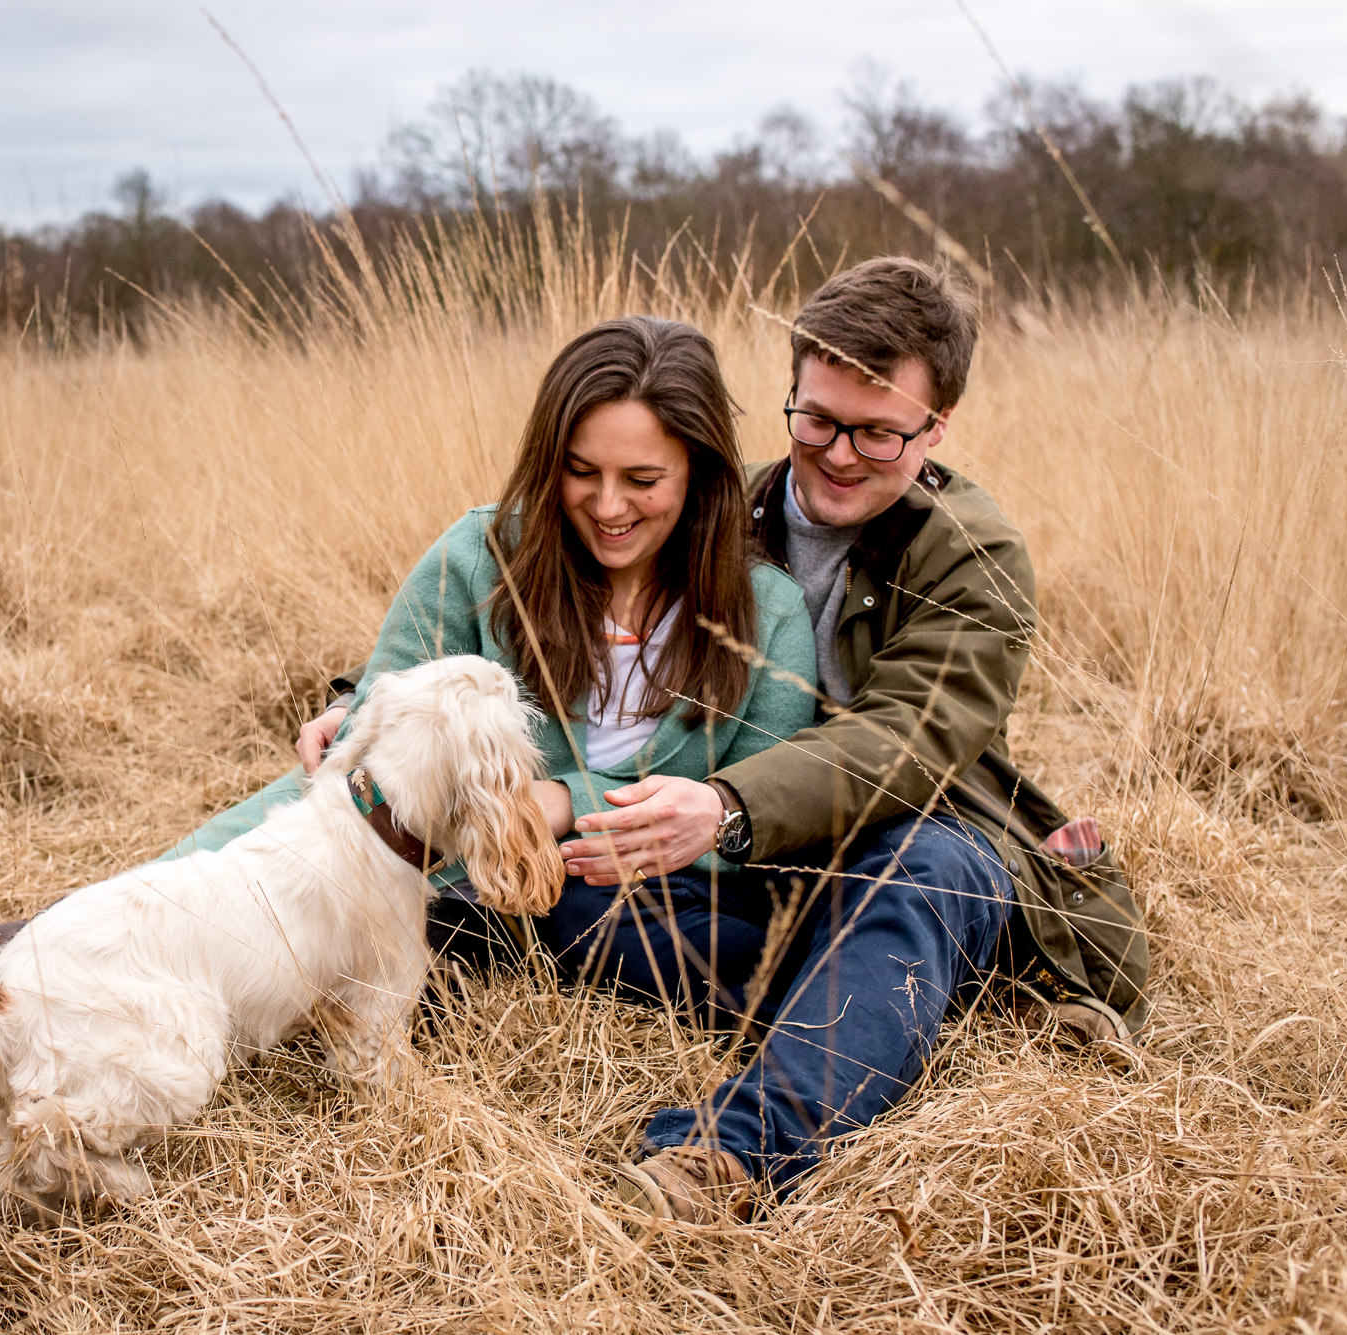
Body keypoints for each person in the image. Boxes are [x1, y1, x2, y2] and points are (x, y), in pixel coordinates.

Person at [303, 258, 1151, 1223]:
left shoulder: (974, 553)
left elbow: (906, 741)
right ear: (788, 394)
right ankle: (896, 1005)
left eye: (878, 432)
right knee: (568, 883)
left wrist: (727, 804)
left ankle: (731, 1156)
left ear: (937, 428)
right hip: (743, 870)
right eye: (817, 418)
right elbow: (552, 589)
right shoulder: (713, 506)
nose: (837, 453)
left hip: (919, 840)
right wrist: (363, 702)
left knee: (915, 872)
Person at [0, 312, 819, 1035]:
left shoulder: (764, 610)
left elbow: (754, 795)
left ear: (701, 474)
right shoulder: (484, 550)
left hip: (611, 887)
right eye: (581, 472)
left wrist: (562, 801)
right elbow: (374, 718)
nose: (608, 505)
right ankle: (83, 935)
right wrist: (355, 714)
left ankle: (429, 966)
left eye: (643, 479)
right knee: (302, 818)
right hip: (422, 847)